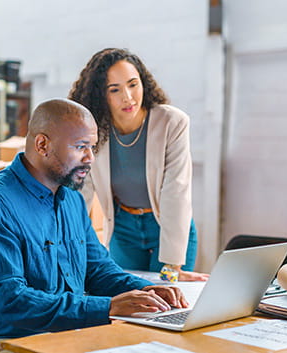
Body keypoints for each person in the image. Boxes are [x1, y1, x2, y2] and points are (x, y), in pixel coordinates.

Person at [0, 98, 188, 353]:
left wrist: (147, 290)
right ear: (42, 144)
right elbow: (10, 301)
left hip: (58, 335)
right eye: (81, 147)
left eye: (92, 147)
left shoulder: (71, 200)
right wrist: (108, 307)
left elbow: (98, 270)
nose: (90, 158)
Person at [68, 48, 209, 281]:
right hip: (124, 229)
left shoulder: (171, 122)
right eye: (115, 89)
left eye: (133, 84)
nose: (128, 97)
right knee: (130, 297)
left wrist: (172, 266)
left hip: (166, 224)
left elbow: (177, 191)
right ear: (100, 95)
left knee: (167, 299)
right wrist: (72, 251)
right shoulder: (95, 130)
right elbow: (81, 194)